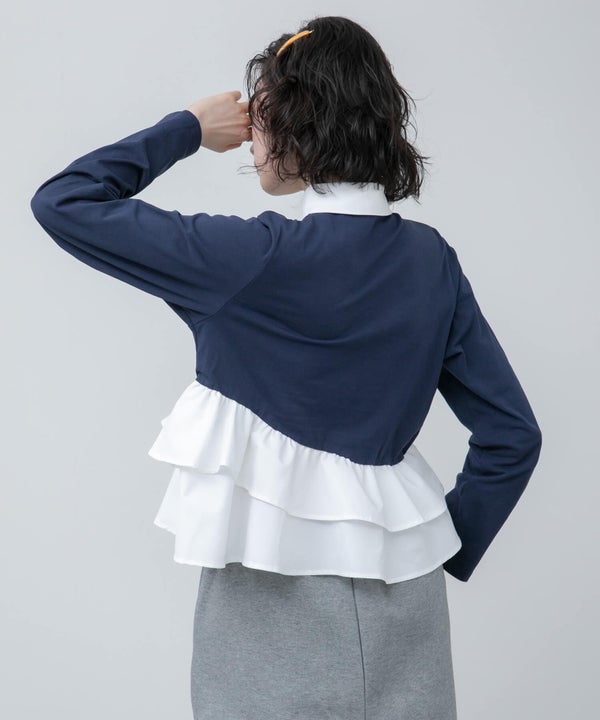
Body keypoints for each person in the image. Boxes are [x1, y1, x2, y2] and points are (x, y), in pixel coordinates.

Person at [29, 14, 542, 720]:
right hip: (408, 606)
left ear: (295, 122)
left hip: (269, 606)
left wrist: (187, 128)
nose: (251, 135)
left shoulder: (246, 260)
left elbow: (64, 201)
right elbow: (512, 435)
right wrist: (439, 546)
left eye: (260, 112)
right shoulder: (431, 262)